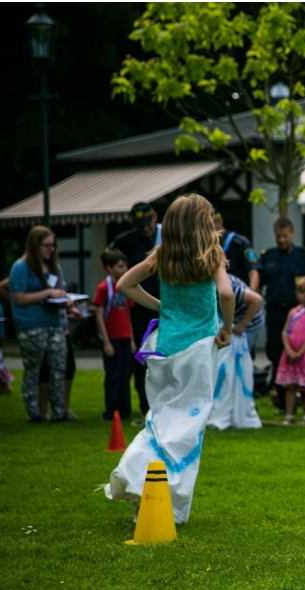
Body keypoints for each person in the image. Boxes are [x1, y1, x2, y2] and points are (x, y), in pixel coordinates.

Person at [106, 193, 234, 524]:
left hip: (163, 350)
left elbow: (124, 284)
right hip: (198, 352)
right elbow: (226, 293)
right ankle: (166, 502)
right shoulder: (211, 255)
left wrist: (163, 307)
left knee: (160, 420)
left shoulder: (162, 255)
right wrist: (228, 328)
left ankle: (138, 479)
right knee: (187, 430)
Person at [259, 217, 305, 413]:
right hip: (276, 312)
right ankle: (284, 404)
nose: (282, 240)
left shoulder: (304, 256)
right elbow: (259, 284)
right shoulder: (268, 256)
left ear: (292, 234)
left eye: (285, 236)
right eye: (279, 236)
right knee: (277, 357)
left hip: (301, 314)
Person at [105, 202, 161, 419]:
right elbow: (107, 258)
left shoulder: (167, 236)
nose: (145, 229)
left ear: (155, 217)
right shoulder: (125, 241)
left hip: (165, 304)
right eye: (140, 225)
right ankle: (145, 405)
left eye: (148, 223)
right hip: (138, 310)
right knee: (142, 358)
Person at [9, 226, 68, 423]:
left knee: (59, 367)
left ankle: (59, 412)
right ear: (35, 245)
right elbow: (19, 298)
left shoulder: (54, 267)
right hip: (31, 325)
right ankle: (34, 413)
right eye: (46, 246)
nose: (50, 250)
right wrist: (47, 294)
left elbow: (59, 292)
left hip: (54, 323)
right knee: (33, 370)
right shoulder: (21, 267)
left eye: (53, 246)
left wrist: (67, 302)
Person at [207, 272, 265, 430]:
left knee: (230, 370)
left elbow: (256, 299)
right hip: (228, 326)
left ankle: (232, 412)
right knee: (224, 370)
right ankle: (225, 411)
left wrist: (242, 325)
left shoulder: (227, 284)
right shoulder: (206, 283)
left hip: (244, 328)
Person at [93, 249, 136, 421]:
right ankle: (112, 410)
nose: (124, 269)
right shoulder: (104, 289)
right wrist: (106, 342)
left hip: (125, 338)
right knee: (113, 375)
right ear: (109, 268)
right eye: (120, 266)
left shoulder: (126, 288)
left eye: (125, 265)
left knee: (126, 374)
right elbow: (99, 315)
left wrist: (132, 340)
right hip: (112, 339)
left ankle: (125, 409)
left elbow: (128, 315)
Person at [277, 276, 305, 425]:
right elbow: (285, 331)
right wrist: (289, 349)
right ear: (297, 294)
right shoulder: (293, 312)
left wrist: (301, 351)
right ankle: (289, 415)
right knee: (290, 385)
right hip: (290, 353)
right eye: (302, 292)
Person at [215, 210, 260, 291]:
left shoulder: (239, 243)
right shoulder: (207, 245)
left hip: (239, 295)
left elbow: (253, 271)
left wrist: (252, 292)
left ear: (220, 221)